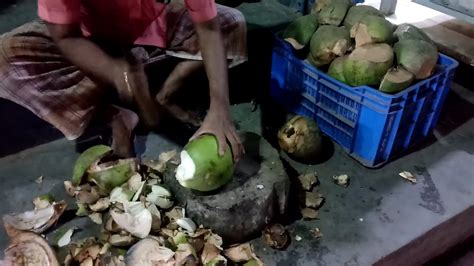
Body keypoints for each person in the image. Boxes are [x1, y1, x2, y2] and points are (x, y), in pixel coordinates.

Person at [0, 0, 246, 160]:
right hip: (90, 38)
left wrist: (220, 109)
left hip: (154, 25)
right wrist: (116, 71)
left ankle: (166, 95)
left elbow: (209, 28)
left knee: (230, 22)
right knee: (5, 58)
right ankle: (115, 117)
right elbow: (64, 36)